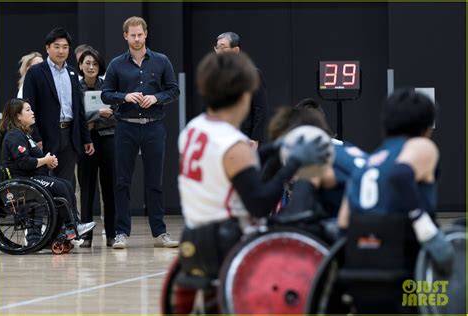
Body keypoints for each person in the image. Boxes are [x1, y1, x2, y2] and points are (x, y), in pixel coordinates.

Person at [177, 52, 330, 299]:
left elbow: (225, 168)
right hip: (229, 241)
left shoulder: (193, 129)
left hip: (194, 235)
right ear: (244, 96)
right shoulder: (234, 144)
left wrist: (274, 147)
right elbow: (260, 204)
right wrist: (292, 166)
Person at [339, 89, 454, 275]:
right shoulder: (420, 146)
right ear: (426, 126)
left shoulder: (369, 161)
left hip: (358, 263)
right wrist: (424, 226)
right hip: (403, 258)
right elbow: (400, 174)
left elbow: (343, 221)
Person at [101, 16, 180, 249]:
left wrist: (156, 97)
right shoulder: (116, 64)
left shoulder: (162, 61)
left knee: (154, 182)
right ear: (125, 36)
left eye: (140, 34)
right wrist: (123, 96)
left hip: (154, 126)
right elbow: (106, 94)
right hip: (125, 126)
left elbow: (174, 90)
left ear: (146, 34)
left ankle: (160, 232)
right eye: (132, 35)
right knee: (122, 181)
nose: (136, 38)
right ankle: (121, 232)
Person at [0, 98, 96, 243]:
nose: (32, 113)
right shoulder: (14, 136)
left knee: (66, 185)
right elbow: (24, 162)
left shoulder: (24, 134)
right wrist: (45, 160)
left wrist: (47, 162)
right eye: (28, 110)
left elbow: (32, 159)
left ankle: (69, 226)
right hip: (21, 182)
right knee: (61, 187)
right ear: (17, 116)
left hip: (30, 178)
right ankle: (71, 226)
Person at [22, 27, 94, 186]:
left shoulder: (73, 73)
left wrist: (86, 137)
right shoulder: (35, 72)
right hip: (45, 136)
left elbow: (79, 110)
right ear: (47, 48)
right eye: (56, 46)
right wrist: (35, 136)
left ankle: (64, 212)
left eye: (65, 47)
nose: (61, 51)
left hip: (70, 135)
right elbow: (28, 107)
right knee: (43, 182)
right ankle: (46, 212)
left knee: (66, 184)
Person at [77, 49, 116, 248]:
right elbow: (76, 115)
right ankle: (86, 235)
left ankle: (112, 234)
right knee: (87, 188)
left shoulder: (108, 87)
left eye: (95, 64)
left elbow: (116, 115)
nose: (91, 67)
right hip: (86, 140)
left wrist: (90, 117)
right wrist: (98, 113)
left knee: (109, 187)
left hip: (108, 139)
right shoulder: (76, 87)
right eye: (87, 63)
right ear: (81, 66)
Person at [214, 32, 267, 149]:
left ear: (236, 50)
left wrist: (255, 137)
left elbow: (260, 108)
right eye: (217, 47)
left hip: (243, 134)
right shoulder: (214, 74)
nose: (219, 51)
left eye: (223, 47)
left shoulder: (251, 73)